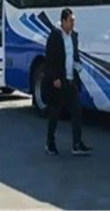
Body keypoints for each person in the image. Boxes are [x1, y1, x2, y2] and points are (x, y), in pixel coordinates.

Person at [43, 8, 92, 156]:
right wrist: (55, 78)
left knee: (77, 111)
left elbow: (74, 56)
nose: (72, 24)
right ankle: (50, 142)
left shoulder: (73, 37)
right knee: (55, 114)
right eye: (70, 21)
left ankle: (77, 144)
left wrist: (79, 67)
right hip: (59, 81)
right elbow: (50, 59)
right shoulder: (55, 37)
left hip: (71, 81)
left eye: (74, 21)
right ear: (63, 21)